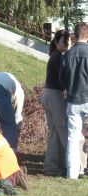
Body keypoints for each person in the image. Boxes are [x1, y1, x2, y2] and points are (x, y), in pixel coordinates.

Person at [59, 22, 88, 179]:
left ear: (75, 36)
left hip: (73, 100)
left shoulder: (67, 55)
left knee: (72, 137)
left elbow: (61, 79)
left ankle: (72, 174)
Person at [40, 30, 71, 177]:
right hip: (54, 95)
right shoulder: (59, 57)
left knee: (55, 132)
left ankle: (51, 167)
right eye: (65, 41)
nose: (67, 44)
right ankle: (69, 165)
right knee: (64, 131)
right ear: (58, 42)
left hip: (47, 94)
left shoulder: (54, 55)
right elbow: (64, 79)